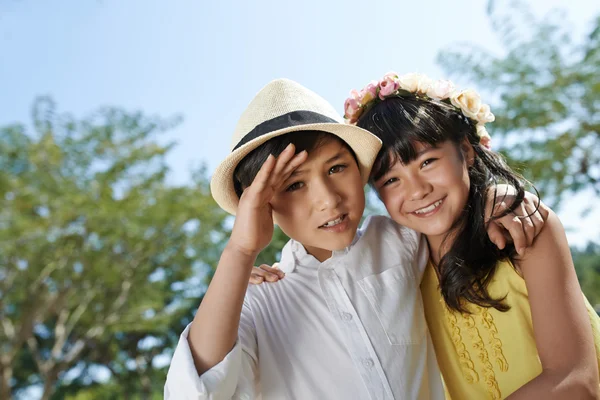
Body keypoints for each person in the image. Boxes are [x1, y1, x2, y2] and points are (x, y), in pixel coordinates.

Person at [165, 78, 545, 399]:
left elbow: (449, 210)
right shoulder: (257, 300)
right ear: (262, 204)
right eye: (294, 185)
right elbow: (194, 387)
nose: (328, 199)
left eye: (337, 168)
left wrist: (501, 197)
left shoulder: (401, 241)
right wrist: (241, 251)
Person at [345, 72, 600, 399]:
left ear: (465, 151)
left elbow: (576, 383)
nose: (418, 190)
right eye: (391, 180)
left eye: (427, 162)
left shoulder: (521, 231)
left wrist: (506, 194)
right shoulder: (399, 273)